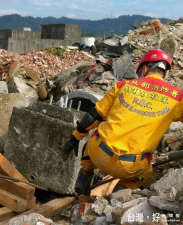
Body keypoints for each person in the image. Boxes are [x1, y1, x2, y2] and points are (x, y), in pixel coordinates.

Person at [62, 49, 183, 196]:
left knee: (95, 134)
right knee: (146, 172)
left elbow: (93, 115)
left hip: (99, 154)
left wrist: (74, 139)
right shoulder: (178, 98)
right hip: (131, 167)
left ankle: (85, 173)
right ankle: (120, 192)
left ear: (144, 69)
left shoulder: (123, 86)